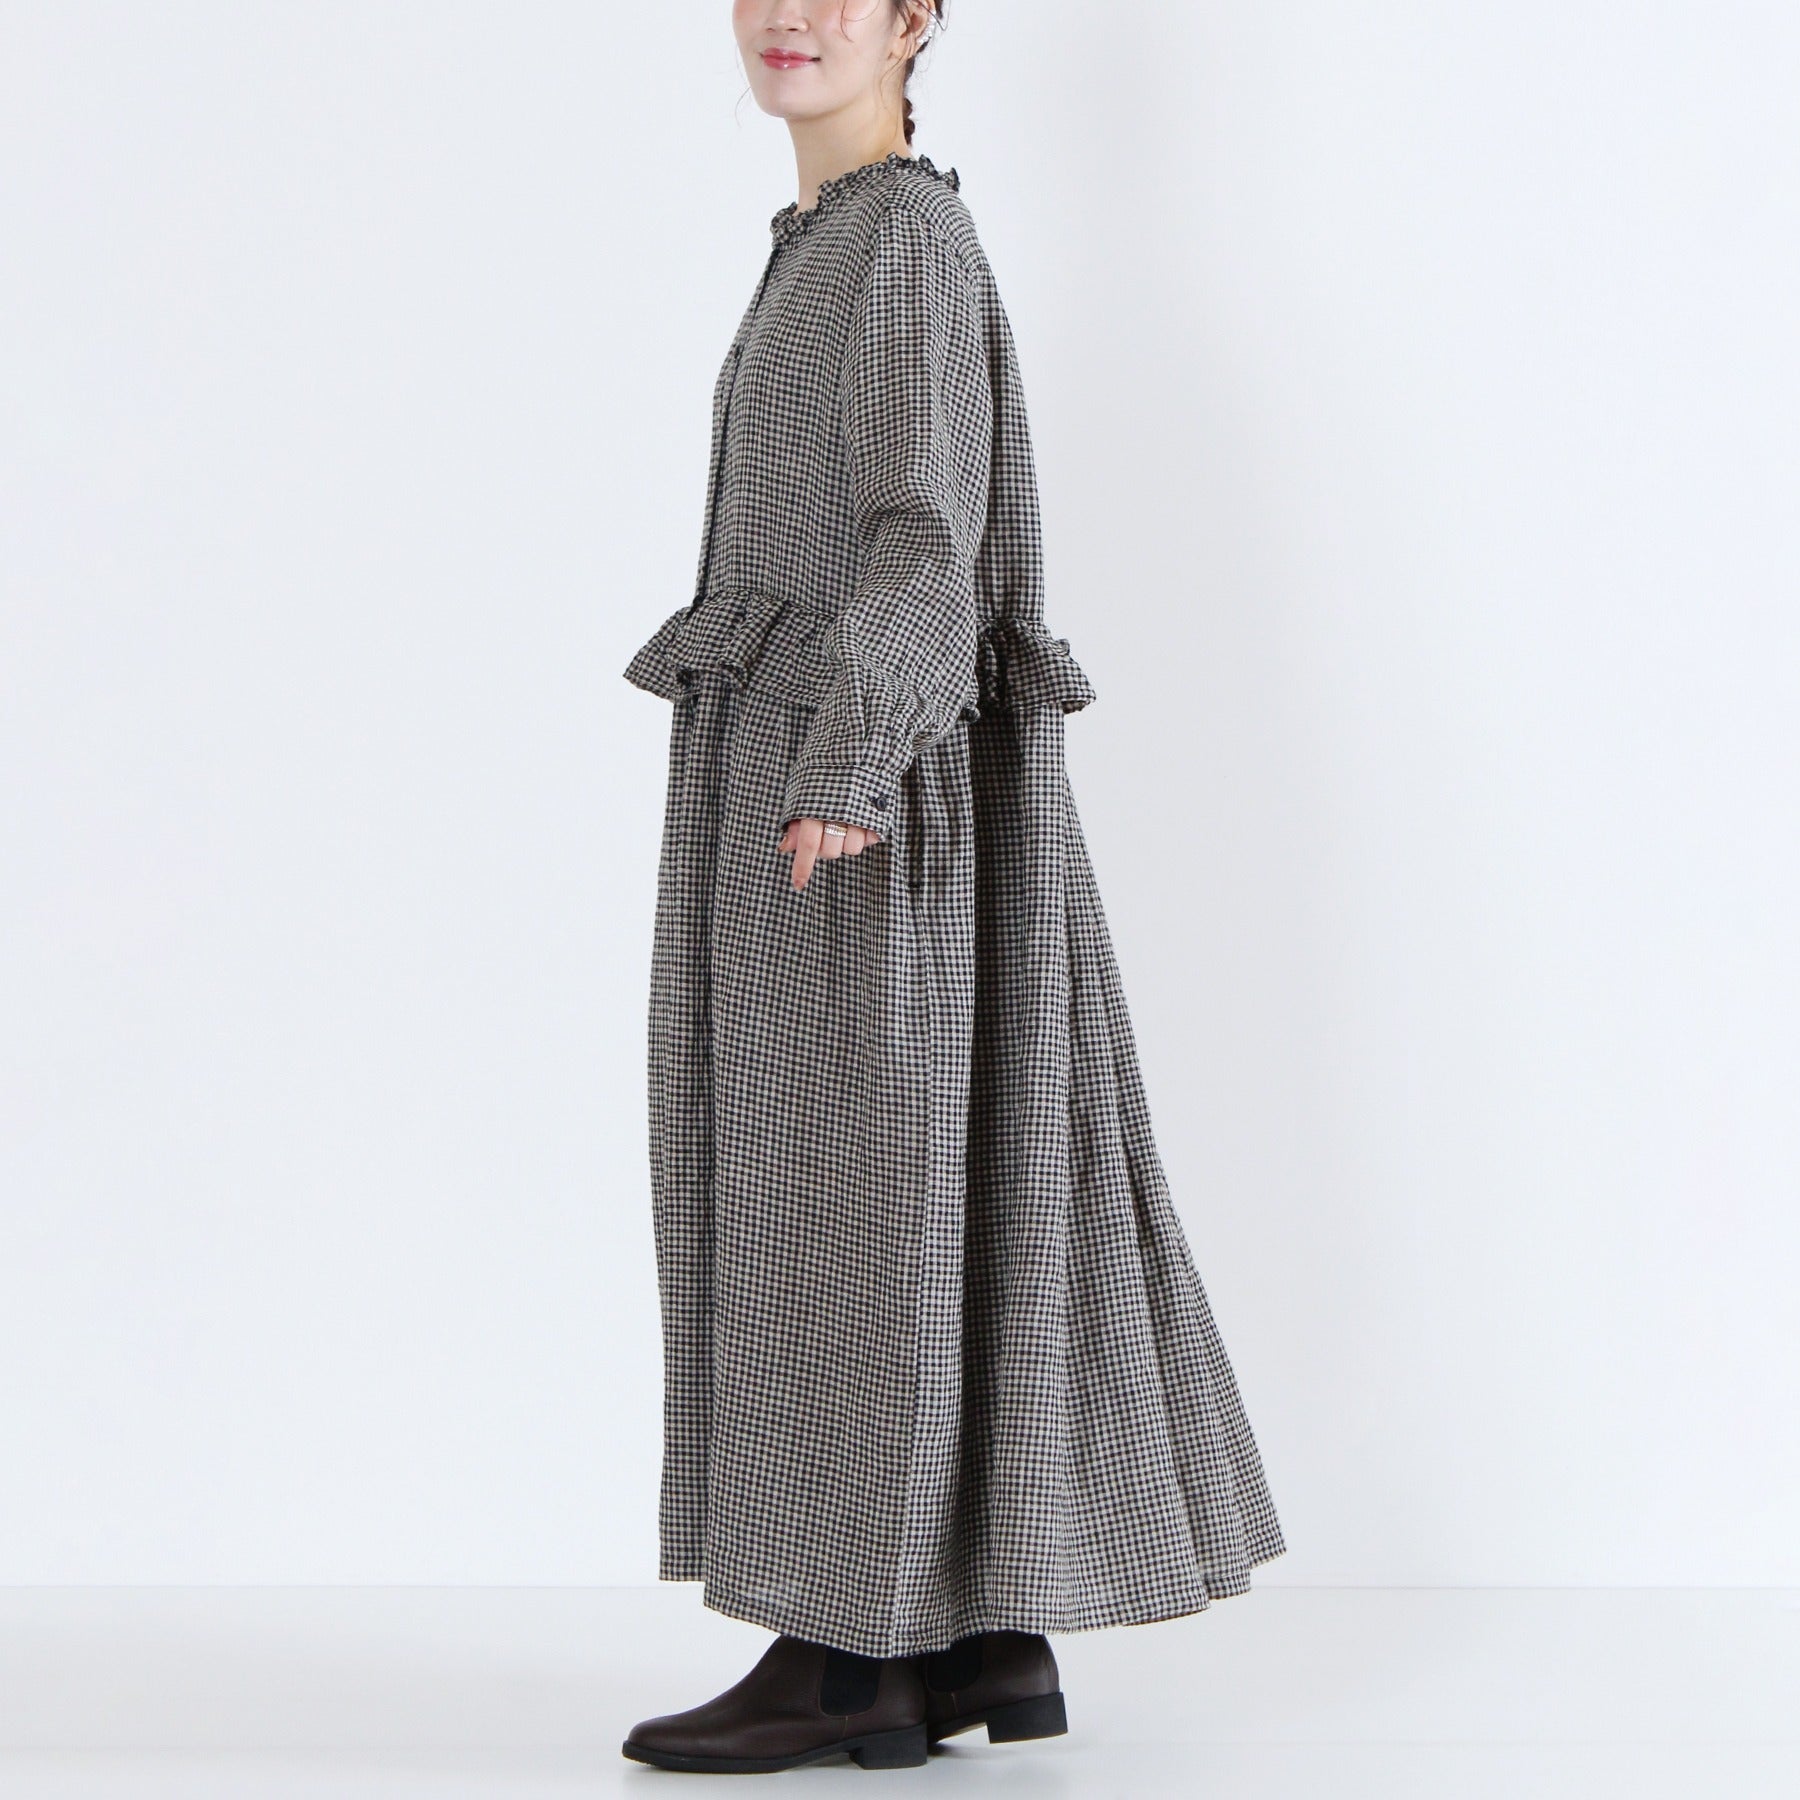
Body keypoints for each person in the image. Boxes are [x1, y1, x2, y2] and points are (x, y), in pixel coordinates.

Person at [620, 1, 1286, 1773]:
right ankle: (981, 1632)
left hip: (860, 804)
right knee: (920, 1189)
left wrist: (849, 759)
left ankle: (850, 1655)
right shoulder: (840, 242)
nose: (792, 15)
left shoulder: (900, 241)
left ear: (918, 19)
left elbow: (927, 532)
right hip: (861, 784)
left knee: (846, 1209)